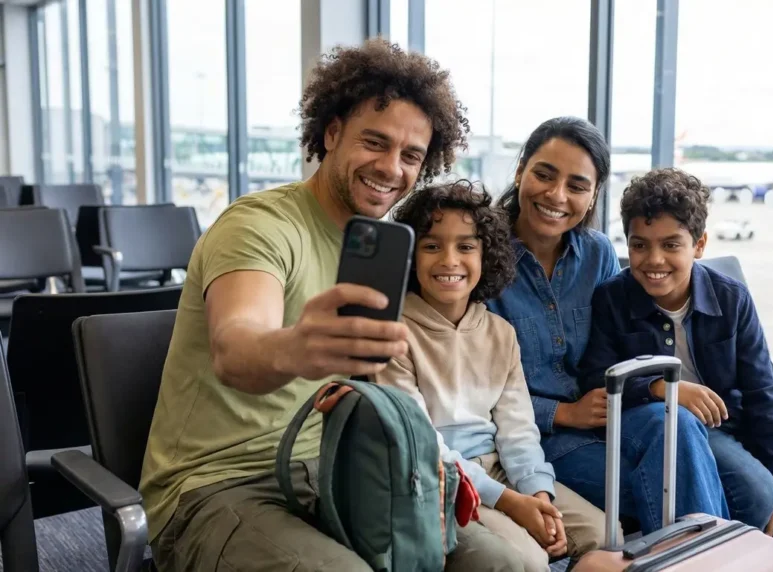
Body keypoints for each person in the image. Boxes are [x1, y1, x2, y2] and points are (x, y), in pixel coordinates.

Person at [138, 39, 524, 572]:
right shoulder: (258, 226)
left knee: (503, 565)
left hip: (336, 467)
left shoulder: (381, 248)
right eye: (375, 142)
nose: (391, 167)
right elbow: (236, 347)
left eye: (411, 155)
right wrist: (295, 347)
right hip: (218, 484)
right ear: (332, 132)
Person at [578, 167, 773, 565]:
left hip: (739, 413)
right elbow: (595, 378)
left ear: (700, 244)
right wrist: (661, 387)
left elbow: (764, 390)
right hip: (689, 428)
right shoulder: (612, 298)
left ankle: (772, 563)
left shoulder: (731, 298)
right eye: (640, 246)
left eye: (671, 245)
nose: (653, 260)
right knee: (756, 496)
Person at [485, 116, 728, 536]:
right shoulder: (481, 254)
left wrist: (644, 388)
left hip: (609, 413)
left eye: (577, 185)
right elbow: (473, 383)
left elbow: (615, 343)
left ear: (594, 193)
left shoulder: (596, 251)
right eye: (544, 174)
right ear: (521, 169)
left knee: (678, 423)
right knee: (671, 485)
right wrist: (563, 412)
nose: (557, 195)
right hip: (536, 435)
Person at [375, 180, 609, 570]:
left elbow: (517, 429)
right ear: (411, 258)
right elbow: (422, 444)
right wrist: (510, 502)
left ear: (487, 256)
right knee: (530, 560)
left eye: (466, 246)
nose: (449, 260)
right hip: (441, 479)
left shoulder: (500, 333)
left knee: (603, 536)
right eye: (432, 246)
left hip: (500, 469)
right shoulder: (393, 333)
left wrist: (538, 494)